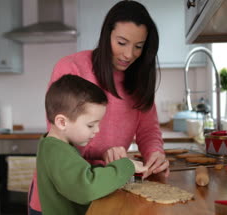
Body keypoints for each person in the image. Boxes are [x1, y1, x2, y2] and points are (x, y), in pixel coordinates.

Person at [29, 0, 169, 213]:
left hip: (108, 188)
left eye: (138, 46)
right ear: (107, 36)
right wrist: (110, 159)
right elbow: (62, 137)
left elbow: (148, 130)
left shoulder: (139, 79)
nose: (129, 54)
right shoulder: (72, 67)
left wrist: (155, 154)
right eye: (122, 43)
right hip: (66, 199)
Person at [31, 74, 147, 215]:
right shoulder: (57, 152)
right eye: (90, 125)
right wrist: (126, 166)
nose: (97, 130)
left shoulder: (56, 146)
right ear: (62, 122)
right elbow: (86, 188)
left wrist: (112, 172)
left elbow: (79, 174)